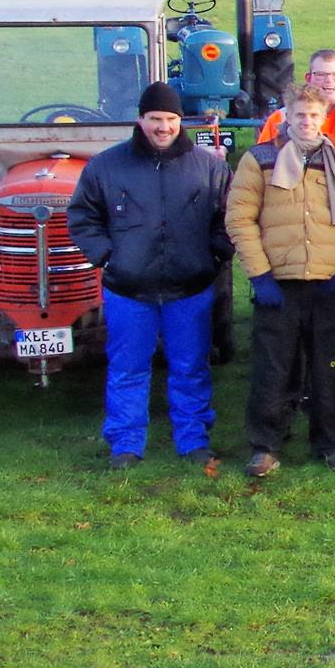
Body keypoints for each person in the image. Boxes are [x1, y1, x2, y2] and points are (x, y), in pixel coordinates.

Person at [68, 81, 233, 472]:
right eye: (155, 118)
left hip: (190, 287)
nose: (163, 127)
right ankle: (126, 444)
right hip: (128, 289)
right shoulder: (106, 166)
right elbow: (83, 217)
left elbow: (229, 218)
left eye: (171, 119)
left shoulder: (210, 167)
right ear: (140, 119)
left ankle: (193, 440)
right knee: (128, 369)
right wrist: (107, 257)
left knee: (191, 367)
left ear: (181, 121)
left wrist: (214, 255)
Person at [227, 87, 335, 477]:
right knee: (272, 368)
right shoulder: (259, 159)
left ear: (324, 118)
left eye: (314, 115)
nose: (307, 122)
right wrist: (260, 275)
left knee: (327, 368)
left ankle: (331, 443)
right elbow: (239, 219)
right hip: (278, 283)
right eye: (300, 115)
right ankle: (265, 445)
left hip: (328, 283)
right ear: (287, 116)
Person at [259, 47, 335, 159]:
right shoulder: (279, 119)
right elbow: (261, 163)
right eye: (321, 75)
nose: (329, 80)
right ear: (308, 79)